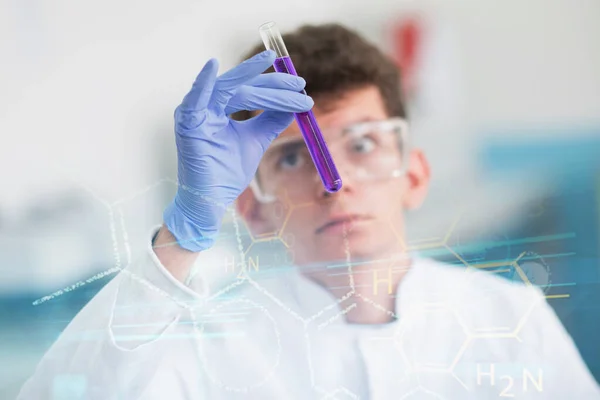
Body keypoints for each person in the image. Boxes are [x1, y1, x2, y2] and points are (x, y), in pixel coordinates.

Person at [18, 24, 599, 400]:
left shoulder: (510, 322)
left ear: (414, 175)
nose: (334, 180)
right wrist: (184, 233)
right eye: (294, 157)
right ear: (251, 207)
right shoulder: (206, 350)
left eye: (364, 143)